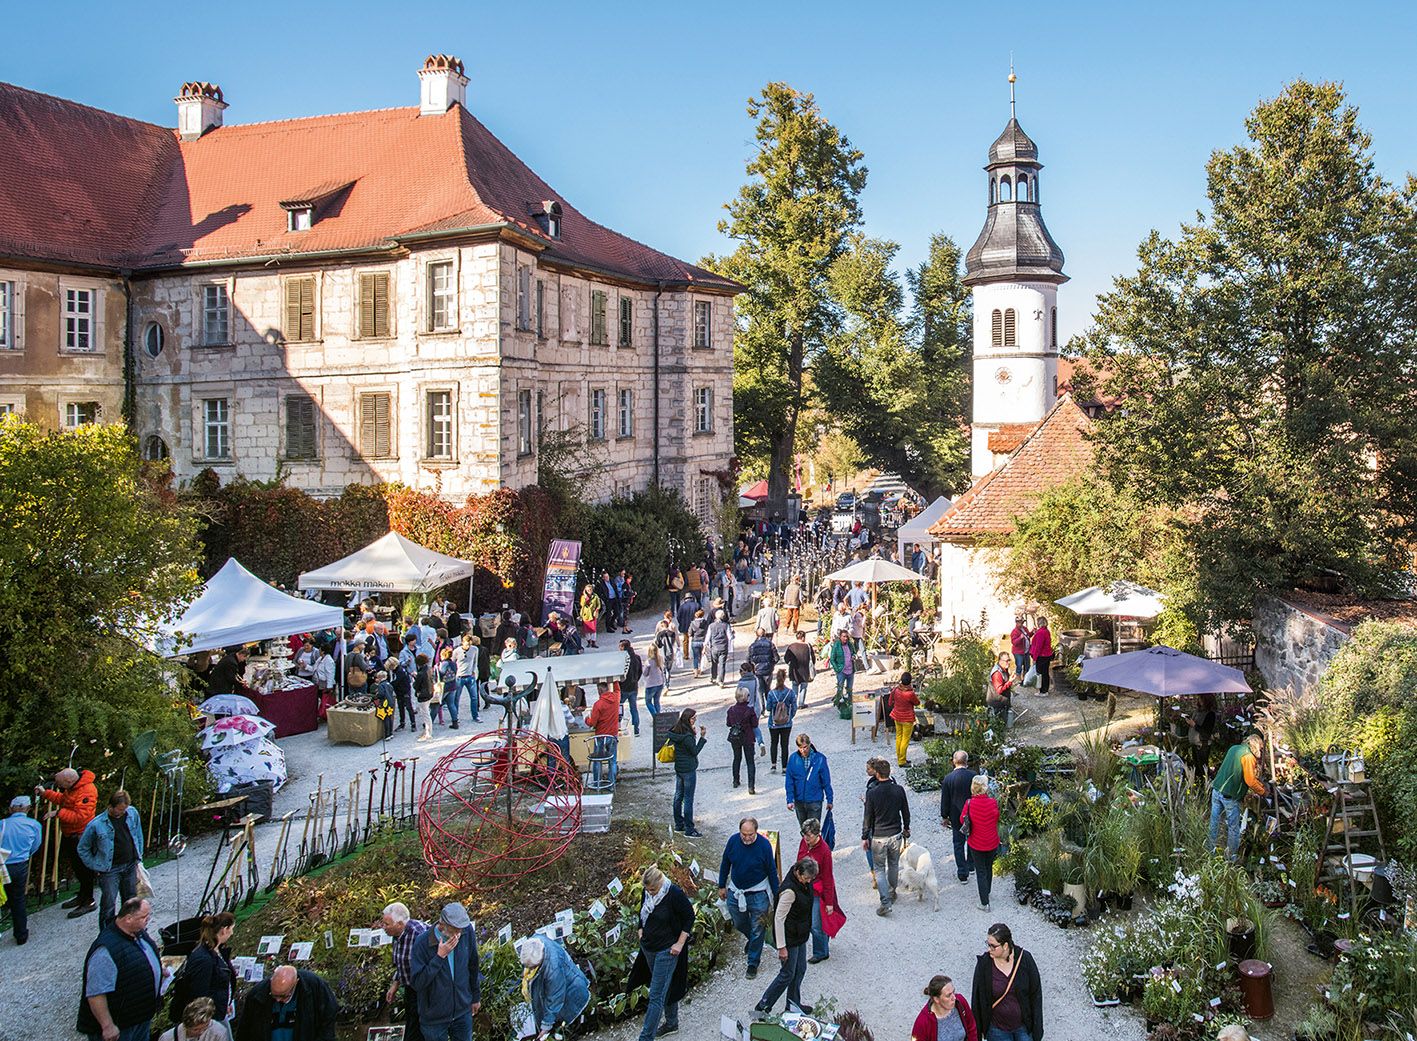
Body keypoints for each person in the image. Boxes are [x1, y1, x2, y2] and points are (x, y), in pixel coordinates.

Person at [78, 897, 164, 1041]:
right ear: (128, 918)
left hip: (139, 1017)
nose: (148, 919)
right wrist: (107, 1026)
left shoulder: (137, 932)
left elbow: (144, 955)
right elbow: (96, 993)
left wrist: (159, 970)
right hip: (122, 1025)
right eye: (143, 916)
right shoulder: (105, 951)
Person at [628, 866, 694, 1040]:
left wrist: (679, 944)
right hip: (648, 948)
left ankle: (646, 1037)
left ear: (661, 883)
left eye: (653, 890)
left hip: (666, 951)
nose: (650, 893)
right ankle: (672, 1023)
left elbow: (689, 917)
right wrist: (640, 930)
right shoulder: (647, 892)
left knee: (656, 995)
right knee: (667, 986)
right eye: (647, 889)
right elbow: (642, 912)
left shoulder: (674, 894)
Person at [754, 857, 819, 1016]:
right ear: (798, 872)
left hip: (800, 934)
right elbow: (779, 918)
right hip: (790, 937)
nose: (809, 881)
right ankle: (763, 1006)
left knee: (800, 969)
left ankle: (793, 1005)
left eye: (811, 878)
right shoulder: (789, 892)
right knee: (787, 974)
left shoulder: (802, 882)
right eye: (807, 878)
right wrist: (782, 947)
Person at [717, 817, 780, 980]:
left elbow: (772, 871)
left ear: (756, 832)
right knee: (738, 922)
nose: (746, 838)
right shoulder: (733, 841)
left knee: (758, 928)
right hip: (736, 890)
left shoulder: (765, 846)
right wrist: (721, 885)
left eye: (750, 834)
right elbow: (725, 863)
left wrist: (776, 893)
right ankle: (754, 942)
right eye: (743, 834)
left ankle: (753, 963)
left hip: (758, 893)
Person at [408, 903, 481, 1041]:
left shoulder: (466, 931)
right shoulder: (422, 943)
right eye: (455, 929)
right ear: (442, 925)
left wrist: (475, 997)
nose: (459, 934)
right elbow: (417, 983)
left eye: (461, 929)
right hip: (434, 1018)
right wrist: (439, 957)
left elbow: (473, 964)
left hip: (462, 1012)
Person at [38, 766, 99, 918]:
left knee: (84, 869)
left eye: (61, 784)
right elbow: (63, 800)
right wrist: (46, 794)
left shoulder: (88, 791)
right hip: (70, 833)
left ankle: (89, 901)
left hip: (81, 834)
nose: (59, 787)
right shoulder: (72, 788)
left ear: (69, 781)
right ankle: (82, 896)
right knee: (77, 868)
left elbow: (80, 816)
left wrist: (58, 813)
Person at [78, 790, 144, 930]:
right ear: (111, 806)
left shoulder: (132, 814)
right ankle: (106, 934)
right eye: (120, 809)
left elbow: (138, 834)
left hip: (130, 864)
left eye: (125, 809)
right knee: (109, 903)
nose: (122, 812)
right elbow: (82, 848)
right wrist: (95, 865)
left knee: (131, 900)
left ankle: (131, 930)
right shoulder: (96, 824)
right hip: (109, 869)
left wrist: (139, 856)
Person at [970, 923, 1044, 1041]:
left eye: (993, 946)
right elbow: (977, 1000)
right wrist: (977, 1033)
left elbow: (1035, 995)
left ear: (1005, 946)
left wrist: (1037, 1030)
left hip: (1023, 1027)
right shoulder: (984, 964)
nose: (989, 949)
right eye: (988, 944)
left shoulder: (1025, 959)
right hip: (997, 1030)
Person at [234, 964, 338, 1041]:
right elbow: (245, 1031)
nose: (278, 1000)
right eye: (274, 995)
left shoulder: (315, 987)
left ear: (295, 983)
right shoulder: (257, 995)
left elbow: (328, 1020)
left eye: (283, 996)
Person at [862, 758, 911, 915]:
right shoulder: (899, 790)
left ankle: (885, 901)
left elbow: (867, 817)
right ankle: (892, 891)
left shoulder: (872, 793)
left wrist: (864, 836)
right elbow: (905, 811)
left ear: (877, 774)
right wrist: (907, 827)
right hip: (895, 833)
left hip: (879, 836)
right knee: (894, 864)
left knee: (879, 868)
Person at [520, 935, 590, 1039]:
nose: (529, 969)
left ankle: (572, 1032)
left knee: (564, 1018)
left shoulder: (553, 968)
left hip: (572, 989)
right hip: (561, 980)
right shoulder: (534, 943)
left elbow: (555, 998)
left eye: (532, 967)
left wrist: (546, 1026)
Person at [1208, 733, 1266, 859]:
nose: (1260, 751)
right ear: (1256, 744)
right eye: (1260, 748)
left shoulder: (1234, 748)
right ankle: (1231, 857)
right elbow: (1250, 780)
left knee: (1214, 822)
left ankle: (1210, 851)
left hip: (1217, 789)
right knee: (1233, 827)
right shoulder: (1248, 756)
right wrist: (1263, 792)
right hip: (1230, 795)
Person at [175, 912, 236, 1029]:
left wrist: (225, 1003)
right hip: (208, 1018)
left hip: (218, 1011)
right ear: (224, 930)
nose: (232, 933)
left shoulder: (216, 950)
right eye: (231, 929)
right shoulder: (204, 959)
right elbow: (199, 993)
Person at [797, 818, 843, 965]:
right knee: (811, 921)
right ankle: (823, 944)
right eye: (804, 835)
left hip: (817, 892)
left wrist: (829, 903)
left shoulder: (824, 851)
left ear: (817, 834)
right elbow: (798, 862)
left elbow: (828, 878)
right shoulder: (804, 842)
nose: (806, 839)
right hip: (805, 888)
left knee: (815, 925)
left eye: (809, 836)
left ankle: (821, 952)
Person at [379, 902, 428, 1041]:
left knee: (416, 1031)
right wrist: (395, 984)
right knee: (412, 1025)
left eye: (387, 924)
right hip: (410, 988)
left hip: (425, 989)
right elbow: (402, 962)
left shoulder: (419, 935)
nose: (384, 928)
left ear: (400, 924)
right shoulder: (396, 935)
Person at [1, 796, 43, 944]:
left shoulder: (3, 824)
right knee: (18, 899)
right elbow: (35, 845)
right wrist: (25, 854)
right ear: (28, 808)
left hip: (2, 864)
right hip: (21, 865)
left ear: (12, 808)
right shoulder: (34, 825)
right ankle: (21, 935)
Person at [961, 775, 1001, 911]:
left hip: (976, 842)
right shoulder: (993, 802)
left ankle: (984, 903)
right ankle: (987, 892)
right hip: (992, 841)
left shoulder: (969, 803)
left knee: (980, 870)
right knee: (988, 867)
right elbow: (996, 817)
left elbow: (962, 820)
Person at [665, 709, 707, 836]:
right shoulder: (687, 736)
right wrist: (702, 737)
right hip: (688, 769)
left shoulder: (676, 730)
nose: (695, 720)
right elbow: (694, 751)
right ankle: (689, 828)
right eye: (693, 718)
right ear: (688, 719)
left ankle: (679, 824)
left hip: (679, 767)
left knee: (678, 796)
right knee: (688, 799)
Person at [940, 750, 979, 884]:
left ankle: (962, 873)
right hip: (972, 813)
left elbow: (945, 799)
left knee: (958, 843)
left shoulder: (948, 778)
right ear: (966, 761)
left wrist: (944, 816)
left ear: (953, 761)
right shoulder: (974, 776)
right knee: (972, 840)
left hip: (956, 815)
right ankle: (971, 865)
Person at [784, 733, 834, 828]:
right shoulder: (793, 759)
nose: (803, 750)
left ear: (810, 744)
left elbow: (826, 781)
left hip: (815, 800)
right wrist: (789, 799)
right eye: (801, 748)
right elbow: (789, 781)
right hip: (799, 801)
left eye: (805, 747)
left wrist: (829, 799)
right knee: (804, 830)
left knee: (813, 831)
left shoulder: (820, 759)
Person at [912, 974, 979, 1041]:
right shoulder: (922, 1023)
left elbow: (971, 1028)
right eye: (948, 995)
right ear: (936, 999)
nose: (954, 997)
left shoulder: (960, 1002)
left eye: (953, 992)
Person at [587, 681, 622, 787]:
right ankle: (611, 784)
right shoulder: (616, 698)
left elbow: (592, 723)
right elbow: (618, 689)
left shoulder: (598, 704)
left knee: (598, 760)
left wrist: (586, 719)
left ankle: (597, 782)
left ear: (600, 690)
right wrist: (614, 679)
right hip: (612, 735)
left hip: (600, 736)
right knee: (613, 760)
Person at [726, 686, 760, 793]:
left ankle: (735, 780)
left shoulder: (731, 710)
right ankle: (751, 786)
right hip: (748, 737)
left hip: (735, 737)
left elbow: (728, 723)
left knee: (737, 758)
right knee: (750, 762)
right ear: (746, 697)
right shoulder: (750, 710)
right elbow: (755, 724)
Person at [765, 669, 797, 772]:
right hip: (786, 723)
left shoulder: (771, 693)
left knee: (774, 743)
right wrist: (789, 716)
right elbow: (794, 707)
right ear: (785, 678)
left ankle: (773, 765)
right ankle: (784, 767)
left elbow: (768, 708)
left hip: (773, 723)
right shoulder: (790, 692)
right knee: (785, 744)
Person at [159, 997, 231, 1041]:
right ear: (186, 1025)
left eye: (205, 1027)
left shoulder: (219, 1032)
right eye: (196, 1029)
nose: (201, 1032)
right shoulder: (167, 1038)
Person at [890, 672, 921, 766]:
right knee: (905, 739)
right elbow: (917, 703)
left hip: (896, 716)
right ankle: (902, 761)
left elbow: (890, 700)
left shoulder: (896, 689)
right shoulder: (910, 693)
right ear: (910, 682)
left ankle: (899, 757)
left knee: (898, 737)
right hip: (907, 719)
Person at [1186, 694, 1218, 778]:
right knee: (1196, 767)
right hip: (1195, 743)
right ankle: (1199, 784)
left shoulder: (1210, 714)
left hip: (1202, 744)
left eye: (1201, 699)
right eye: (1199, 698)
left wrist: (1194, 725)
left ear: (1207, 700)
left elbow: (1206, 732)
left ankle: (1206, 785)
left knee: (1203, 767)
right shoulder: (1198, 711)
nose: (1199, 700)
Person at [452, 634, 480, 726]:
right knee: (457, 697)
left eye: (469, 644)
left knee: (474, 697)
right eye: (466, 644)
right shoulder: (457, 651)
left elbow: (475, 661)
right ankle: (455, 716)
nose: (468, 646)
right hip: (460, 676)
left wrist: (473, 671)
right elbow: (452, 662)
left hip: (470, 676)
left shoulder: (474, 649)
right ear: (462, 643)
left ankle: (475, 715)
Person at [783, 630, 813, 709]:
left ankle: (794, 703)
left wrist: (790, 664)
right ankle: (801, 703)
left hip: (794, 670)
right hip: (805, 670)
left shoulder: (791, 646)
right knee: (803, 687)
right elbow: (813, 658)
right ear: (803, 637)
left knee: (794, 687)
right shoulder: (808, 646)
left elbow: (786, 659)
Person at [619, 639, 643, 737]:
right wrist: (636, 680)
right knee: (634, 708)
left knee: (620, 707)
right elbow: (640, 671)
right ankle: (636, 729)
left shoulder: (623, 658)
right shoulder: (637, 657)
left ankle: (620, 725)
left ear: (623, 647)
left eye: (620, 647)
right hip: (634, 687)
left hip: (624, 687)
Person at [705, 610, 733, 686]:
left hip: (714, 647)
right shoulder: (726, 625)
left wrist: (705, 645)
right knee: (722, 664)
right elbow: (730, 637)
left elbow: (708, 637)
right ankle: (721, 680)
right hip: (723, 647)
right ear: (723, 616)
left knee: (714, 663)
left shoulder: (711, 626)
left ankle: (713, 677)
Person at [828, 629, 856, 703]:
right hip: (841, 670)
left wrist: (853, 656)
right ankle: (839, 703)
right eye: (843, 636)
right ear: (840, 637)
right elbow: (832, 659)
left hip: (850, 670)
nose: (845, 638)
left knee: (849, 689)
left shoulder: (850, 644)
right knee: (840, 688)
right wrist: (837, 669)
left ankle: (849, 703)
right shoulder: (836, 645)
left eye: (846, 637)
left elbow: (854, 652)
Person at [1029, 617, 1053, 695]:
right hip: (1047, 655)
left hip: (1042, 656)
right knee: (1045, 673)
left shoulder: (1041, 632)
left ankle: (1043, 691)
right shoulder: (1046, 631)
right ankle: (1045, 690)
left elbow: (1038, 647)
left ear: (1039, 623)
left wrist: (1034, 658)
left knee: (1041, 673)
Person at [413, 652, 434, 741]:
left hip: (423, 695)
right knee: (426, 713)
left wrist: (415, 677)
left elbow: (416, 685)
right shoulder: (428, 669)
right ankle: (427, 731)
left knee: (426, 715)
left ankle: (428, 733)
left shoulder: (421, 673)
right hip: (429, 693)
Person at [987, 653, 1015, 722]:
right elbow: (999, 690)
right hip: (997, 703)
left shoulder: (1003, 669)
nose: (1008, 663)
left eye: (1009, 660)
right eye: (1006, 661)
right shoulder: (997, 673)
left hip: (1002, 702)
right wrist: (1010, 682)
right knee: (1000, 724)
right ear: (1000, 661)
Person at [643, 644, 667, 717]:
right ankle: (659, 717)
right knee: (656, 701)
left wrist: (644, 666)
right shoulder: (660, 659)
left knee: (648, 702)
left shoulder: (649, 662)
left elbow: (645, 674)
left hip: (651, 684)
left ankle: (655, 717)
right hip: (660, 683)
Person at [1009, 616, 1032, 682]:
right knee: (1019, 666)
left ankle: (1026, 679)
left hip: (1026, 651)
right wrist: (1020, 638)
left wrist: (1032, 632)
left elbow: (1028, 635)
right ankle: (1018, 680)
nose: (1022, 624)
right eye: (1020, 622)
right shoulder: (1014, 631)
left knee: (1027, 665)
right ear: (1016, 623)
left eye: (1022, 622)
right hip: (1018, 652)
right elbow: (1014, 643)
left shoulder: (1024, 628)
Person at [687, 609, 708, 677]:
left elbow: (690, 633)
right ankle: (701, 669)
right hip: (703, 641)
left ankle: (696, 670)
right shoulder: (705, 622)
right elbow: (707, 631)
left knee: (695, 657)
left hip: (695, 641)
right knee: (702, 656)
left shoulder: (692, 623)